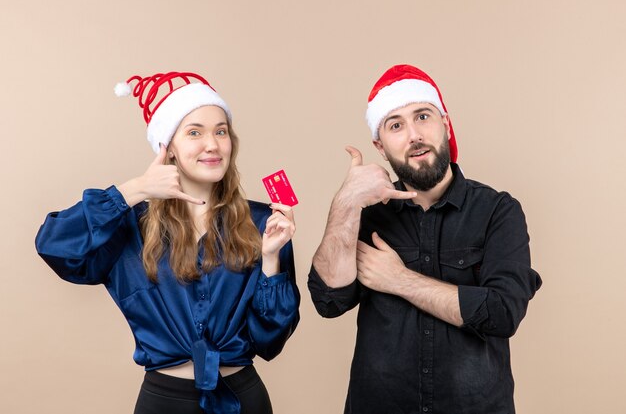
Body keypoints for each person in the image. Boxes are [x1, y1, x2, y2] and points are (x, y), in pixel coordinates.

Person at [35, 72, 300, 414]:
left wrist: (270, 260)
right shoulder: (130, 224)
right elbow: (54, 245)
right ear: (168, 147)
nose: (212, 144)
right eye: (194, 132)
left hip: (243, 398)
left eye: (221, 131)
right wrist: (133, 190)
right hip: (164, 402)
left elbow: (270, 342)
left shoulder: (265, 222)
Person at [308, 64, 542, 414]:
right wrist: (346, 202)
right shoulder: (367, 214)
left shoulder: (498, 211)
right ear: (380, 146)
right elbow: (329, 300)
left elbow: (502, 313)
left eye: (422, 116)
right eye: (396, 125)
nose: (414, 135)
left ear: (445, 124)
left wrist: (398, 280)